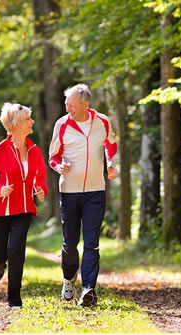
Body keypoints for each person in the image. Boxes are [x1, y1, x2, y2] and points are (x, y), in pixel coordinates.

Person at [49, 83, 118, 307]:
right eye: (66, 104)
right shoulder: (62, 124)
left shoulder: (103, 121)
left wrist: (111, 164)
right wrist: (60, 167)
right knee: (70, 244)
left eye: (71, 105)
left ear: (85, 105)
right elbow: (53, 157)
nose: (67, 108)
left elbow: (111, 144)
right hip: (69, 191)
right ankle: (69, 279)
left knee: (92, 242)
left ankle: (88, 289)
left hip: (95, 191)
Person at [0, 103, 47, 309]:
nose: (32, 121)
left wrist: (41, 189)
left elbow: (40, 177)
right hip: (0, 210)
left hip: (24, 209)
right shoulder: (0, 150)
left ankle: (14, 300)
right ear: (16, 124)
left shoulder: (34, 150)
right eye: (28, 119)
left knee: (16, 252)